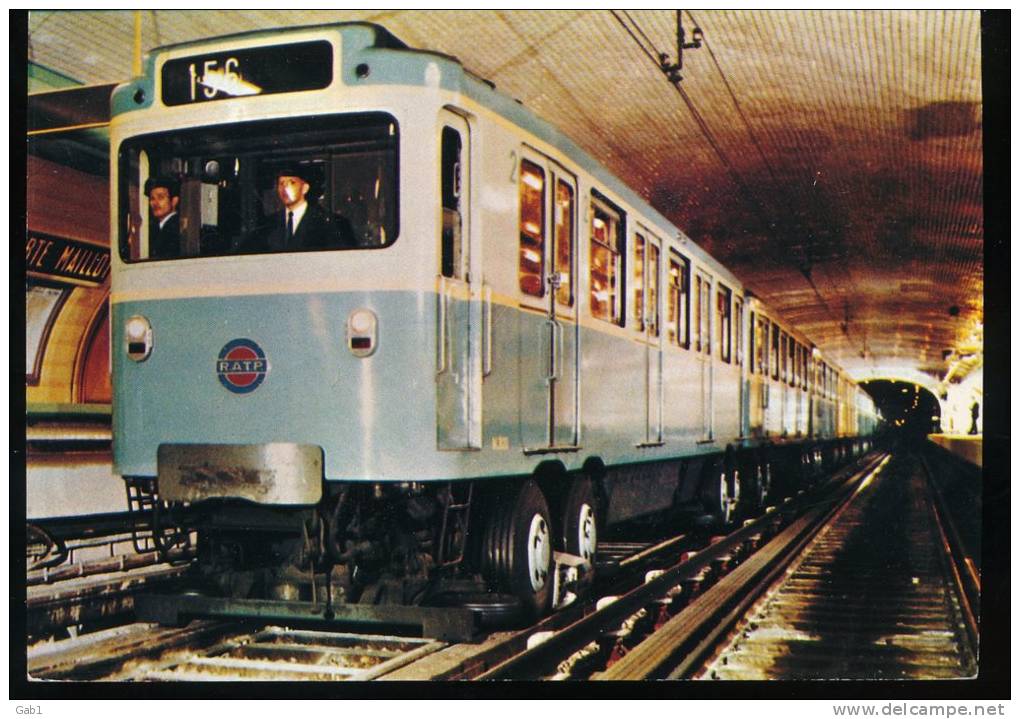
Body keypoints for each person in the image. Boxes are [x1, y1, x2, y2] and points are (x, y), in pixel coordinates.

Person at [254, 165, 354, 251]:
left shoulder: (330, 223)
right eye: (281, 183)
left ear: (305, 188)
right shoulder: (267, 224)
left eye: (292, 182)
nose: (285, 188)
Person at [144, 176, 181, 258]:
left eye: (160, 197)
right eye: (152, 198)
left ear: (174, 201)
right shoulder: (156, 228)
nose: (155, 203)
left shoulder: (177, 228)